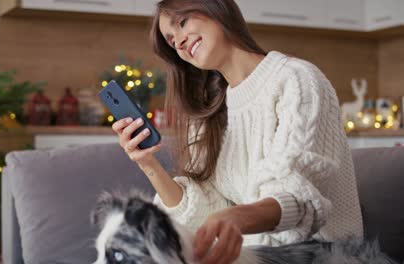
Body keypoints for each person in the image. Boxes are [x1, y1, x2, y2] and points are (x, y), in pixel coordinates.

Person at [111, 0, 363, 263]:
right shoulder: (209, 114)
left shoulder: (296, 80)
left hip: (324, 255)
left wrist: (235, 218)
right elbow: (202, 214)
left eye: (183, 22)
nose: (181, 44)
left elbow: (299, 199)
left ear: (216, 7)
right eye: (173, 42)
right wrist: (147, 163)